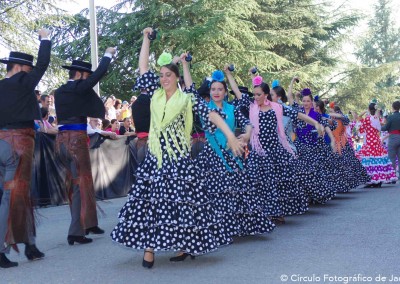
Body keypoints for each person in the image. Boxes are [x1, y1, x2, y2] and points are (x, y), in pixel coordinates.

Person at [111, 27, 244, 269]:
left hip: (179, 159)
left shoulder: (188, 99)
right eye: (161, 75)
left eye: (168, 75)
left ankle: (184, 245)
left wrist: (231, 136)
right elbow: (142, 67)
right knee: (149, 202)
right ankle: (149, 249)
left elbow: (212, 115)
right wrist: (145, 40)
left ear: (176, 78)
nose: (163, 78)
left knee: (181, 204)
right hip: (155, 158)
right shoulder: (154, 94)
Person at [193, 67, 275, 237]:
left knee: (236, 191)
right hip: (211, 155)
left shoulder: (232, 109)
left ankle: (235, 227)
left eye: (220, 89)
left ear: (225, 92)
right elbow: (188, 88)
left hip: (232, 154)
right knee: (214, 191)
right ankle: (217, 229)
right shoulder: (203, 107)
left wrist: (246, 135)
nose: (216, 92)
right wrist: (185, 66)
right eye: (213, 89)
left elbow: (248, 123)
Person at [55, 47, 116, 245]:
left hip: (61, 141)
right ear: (81, 74)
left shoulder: (61, 91)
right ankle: (76, 232)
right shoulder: (78, 88)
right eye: (86, 76)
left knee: (82, 183)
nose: (89, 79)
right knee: (80, 186)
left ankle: (89, 223)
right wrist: (107, 55)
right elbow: (98, 75)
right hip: (75, 142)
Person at [0, 28, 51, 268]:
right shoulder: (22, 82)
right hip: (18, 144)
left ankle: (30, 245)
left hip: (2, 144)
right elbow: (42, 64)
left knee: (17, 196)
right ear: (20, 68)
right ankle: (2, 249)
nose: (32, 75)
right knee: (13, 198)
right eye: (28, 70)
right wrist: (45, 38)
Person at [357, 103, 397, 187]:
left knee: (369, 161)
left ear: (369, 109)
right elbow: (379, 129)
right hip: (376, 141)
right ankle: (378, 180)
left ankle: (371, 180)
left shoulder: (367, 119)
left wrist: (362, 117)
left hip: (369, 142)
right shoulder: (377, 118)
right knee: (379, 160)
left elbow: (361, 129)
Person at [382, 101, 400, 179]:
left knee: (391, 157)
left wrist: (379, 127)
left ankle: (393, 176)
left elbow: (385, 128)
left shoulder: (391, 117)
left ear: (393, 107)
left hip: (393, 138)